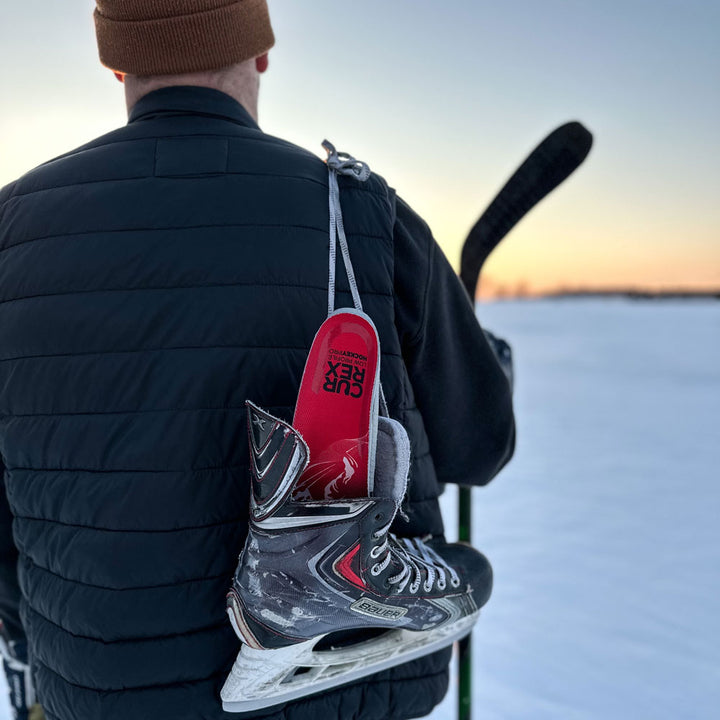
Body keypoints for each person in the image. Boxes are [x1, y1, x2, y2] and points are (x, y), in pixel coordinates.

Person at [0, 1, 515, 718]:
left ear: (117, 61)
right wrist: (485, 368)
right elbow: (480, 449)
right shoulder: (359, 210)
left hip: (93, 686)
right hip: (349, 686)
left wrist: (38, 631)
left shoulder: (11, 230)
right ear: (261, 51)